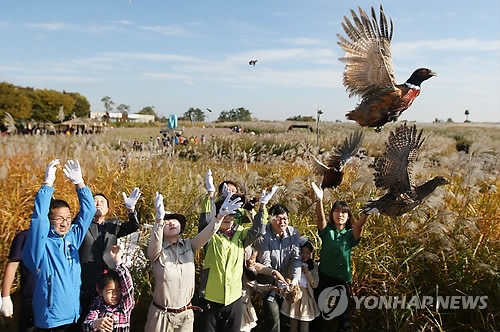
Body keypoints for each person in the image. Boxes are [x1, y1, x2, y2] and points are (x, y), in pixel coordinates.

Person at [145, 186, 242, 332]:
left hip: (185, 315)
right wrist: (159, 220)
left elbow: (208, 233)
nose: (171, 223)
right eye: (167, 221)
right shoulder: (157, 253)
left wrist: (220, 216)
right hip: (162, 315)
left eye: (174, 220)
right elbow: (154, 244)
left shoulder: (189, 245)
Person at [22, 159, 97, 331]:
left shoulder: (72, 239)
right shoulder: (40, 246)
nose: (65, 223)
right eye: (59, 219)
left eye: (68, 218)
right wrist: (47, 184)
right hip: (52, 320)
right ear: (50, 220)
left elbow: (89, 212)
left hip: (74, 314)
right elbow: (39, 220)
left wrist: (79, 183)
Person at [197, 170, 272, 332]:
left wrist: (263, 207)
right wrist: (210, 194)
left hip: (234, 298)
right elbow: (205, 222)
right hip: (211, 297)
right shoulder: (211, 236)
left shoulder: (239, 234)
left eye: (233, 215)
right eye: (226, 214)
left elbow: (258, 231)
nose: (230, 218)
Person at [311, 182, 370, 332]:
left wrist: (366, 213)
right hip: (324, 278)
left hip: (343, 281)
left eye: (344, 212)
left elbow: (359, 227)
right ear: (332, 214)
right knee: (320, 315)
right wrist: (319, 200)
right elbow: (319, 219)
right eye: (336, 211)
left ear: (348, 216)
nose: (340, 214)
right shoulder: (327, 231)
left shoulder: (350, 235)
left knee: (344, 318)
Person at [78, 188, 141, 327]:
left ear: (107, 208)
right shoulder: (81, 225)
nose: (98, 204)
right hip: (86, 281)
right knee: (86, 320)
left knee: (108, 319)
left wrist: (131, 210)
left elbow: (134, 225)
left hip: (109, 282)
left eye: (102, 202)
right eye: (95, 201)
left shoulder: (114, 225)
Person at [255, 201, 302, 332]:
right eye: (278, 219)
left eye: (285, 218)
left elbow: (296, 258)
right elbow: (265, 262)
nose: (283, 222)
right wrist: (277, 279)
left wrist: (294, 279)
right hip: (269, 284)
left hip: (287, 284)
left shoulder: (293, 233)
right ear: (271, 219)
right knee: (274, 318)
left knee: (284, 318)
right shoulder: (264, 235)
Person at [82, 245, 134, 332]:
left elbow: (128, 285)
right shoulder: (97, 307)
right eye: (110, 291)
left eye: (118, 290)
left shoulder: (124, 306)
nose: (115, 294)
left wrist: (118, 261)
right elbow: (85, 325)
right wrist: (95, 323)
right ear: (100, 292)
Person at [240, 246, 287, 332]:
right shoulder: (244, 273)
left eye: (255, 259)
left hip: (247, 301)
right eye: (251, 259)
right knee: (243, 327)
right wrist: (270, 287)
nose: (253, 261)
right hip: (242, 302)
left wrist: (275, 273)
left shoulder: (252, 266)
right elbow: (256, 286)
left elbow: (261, 268)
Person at [280, 239, 320, 332]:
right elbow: (288, 276)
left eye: (308, 253)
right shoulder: (294, 264)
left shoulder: (313, 265)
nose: (305, 255)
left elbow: (315, 284)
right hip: (295, 295)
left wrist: (307, 272)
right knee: (293, 324)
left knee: (304, 324)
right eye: (302, 253)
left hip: (306, 297)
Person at [0, 229, 36, 332]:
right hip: (30, 297)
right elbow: (12, 265)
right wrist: (5, 297)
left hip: (55, 299)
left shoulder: (61, 237)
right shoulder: (25, 236)